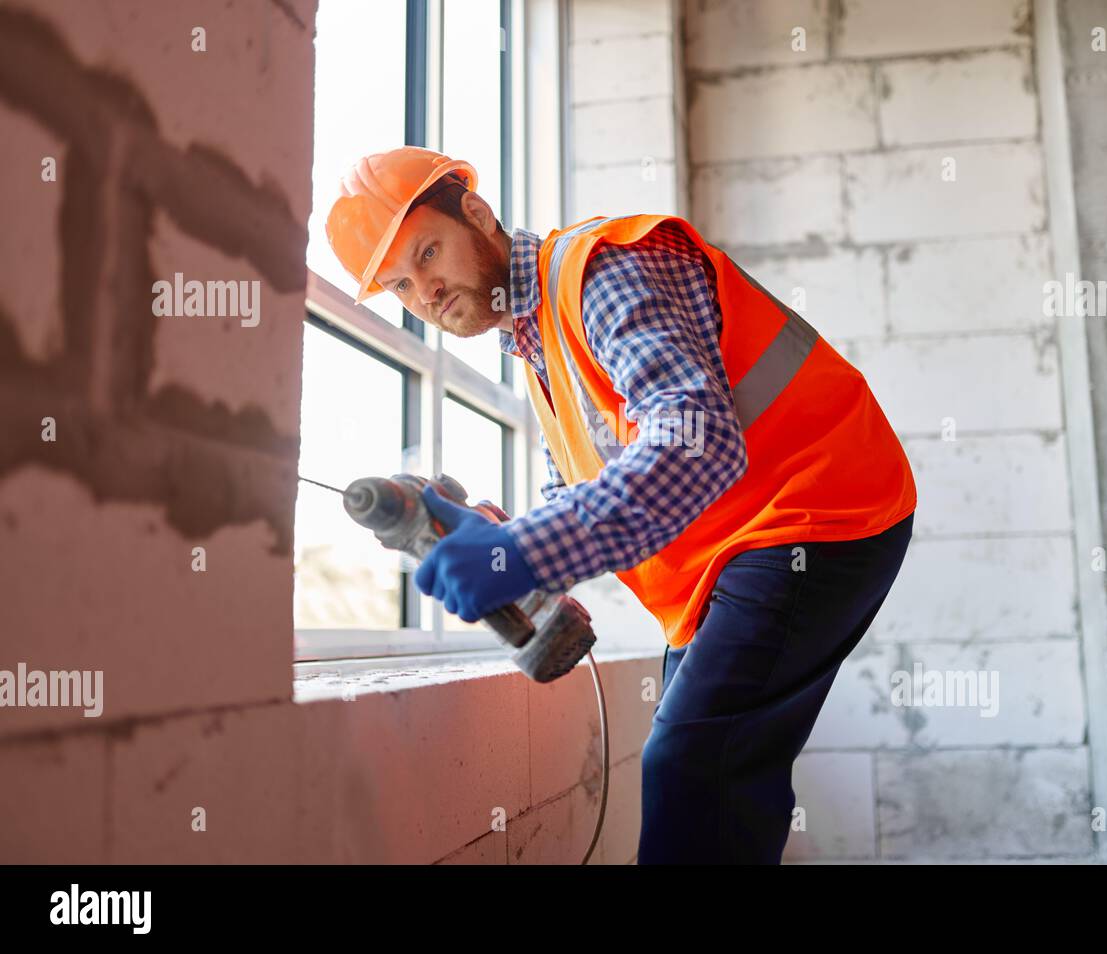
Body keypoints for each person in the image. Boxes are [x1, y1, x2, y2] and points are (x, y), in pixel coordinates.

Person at [326, 146, 916, 864]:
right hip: (737, 552)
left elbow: (694, 441)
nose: (425, 291)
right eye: (399, 286)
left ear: (475, 215)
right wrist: (510, 537)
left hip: (813, 511)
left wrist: (522, 553)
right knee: (710, 772)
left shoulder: (598, 271)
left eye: (428, 252)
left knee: (694, 766)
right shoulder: (542, 344)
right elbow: (584, 492)